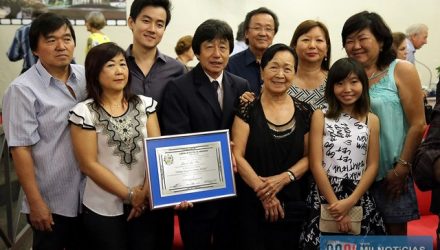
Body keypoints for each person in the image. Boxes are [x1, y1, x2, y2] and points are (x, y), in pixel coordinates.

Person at [68, 42, 191, 250]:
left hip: (145, 202)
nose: (119, 71)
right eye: (110, 65)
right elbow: (88, 164)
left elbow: (156, 151)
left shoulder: (145, 104)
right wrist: (130, 195)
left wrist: (143, 193)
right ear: (94, 71)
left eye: (122, 64)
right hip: (103, 206)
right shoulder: (84, 112)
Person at [160, 19, 249, 250]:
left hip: (233, 193)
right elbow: (177, 139)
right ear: (197, 51)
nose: (217, 54)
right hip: (197, 193)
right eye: (209, 46)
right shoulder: (178, 88)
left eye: (223, 46)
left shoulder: (241, 86)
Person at [2, 12, 86, 249]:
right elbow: (20, 150)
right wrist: (35, 202)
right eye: (51, 40)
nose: (61, 46)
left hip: (88, 194)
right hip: (52, 200)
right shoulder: (22, 90)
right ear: (35, 49)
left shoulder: (84, 76)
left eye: (67, 38)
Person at [342, 11, 426, 235]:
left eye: (362, 38)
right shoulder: (346, 75)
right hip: (352, 178)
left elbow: (418, 124)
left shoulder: (400, 69)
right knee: (356, 240)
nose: (355, 45)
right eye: (349, 41)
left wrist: (402, 169)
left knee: (393, 240)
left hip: (391, 175)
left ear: (380, 41)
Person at [232, 43, 311, 250]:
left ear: (294, 73)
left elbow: (310, 156)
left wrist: (284, 178)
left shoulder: (305, 111)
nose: (280, 74)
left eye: (287, 68)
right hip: (252, 201)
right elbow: (237, 155)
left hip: (293, 203)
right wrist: (265, 192)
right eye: (274, 67)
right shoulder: (247, 107)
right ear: (262, 70)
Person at [300, 58, 386, 248]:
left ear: (363, 84)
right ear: (331, 87)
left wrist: (350, 202)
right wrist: (336, 207)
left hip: (358, 193)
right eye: (340, 83)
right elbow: (315, 164)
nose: (347, 89)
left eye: (354, 82)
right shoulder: (320, 115)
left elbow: (372, 165)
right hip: (325, 193)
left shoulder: (372, 120)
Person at [126, 0, 185, 106]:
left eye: (159, 25)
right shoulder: (115, 67)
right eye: (146, 21)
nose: (152, 29)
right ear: (131, 23)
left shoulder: (177, 70)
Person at [227, 7, 279, 95]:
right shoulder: (231, 65)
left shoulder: (280, 63)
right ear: (246, 33)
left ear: (274, 34)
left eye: (268, 29)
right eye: (257, 28)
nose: (263, 33)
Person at [288, 20, 331, 110]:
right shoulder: (283, 79)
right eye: (306, 40)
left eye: (319, 40)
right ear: (294, 46)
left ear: (326, 48)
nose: (312, 46)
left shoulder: (335, 81)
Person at [7, 7, 46, 74]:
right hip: (52, 73)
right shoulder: (56, 30)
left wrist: (26, 53)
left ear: (32, 15)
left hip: (29, 72)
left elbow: (12, 56)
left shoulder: (21, 31)